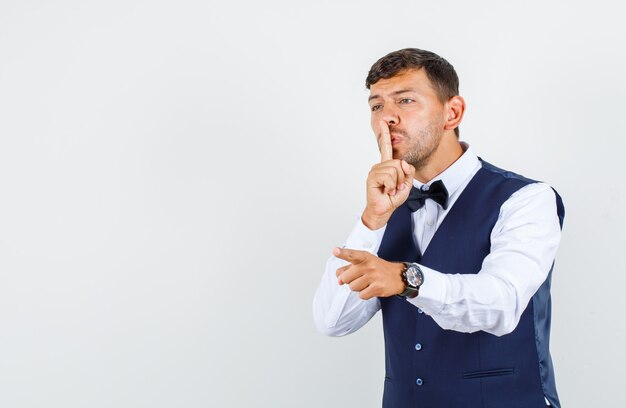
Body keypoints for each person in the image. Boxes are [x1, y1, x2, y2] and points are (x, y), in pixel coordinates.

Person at [312, 48, 564, 408]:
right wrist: (373, 219)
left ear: (453, 112)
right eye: (377, 106)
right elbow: (332, 320)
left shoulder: (526, 199)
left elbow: (502, 303)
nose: (388, 119)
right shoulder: (386, 209)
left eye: (406, 100)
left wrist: (406, 278)